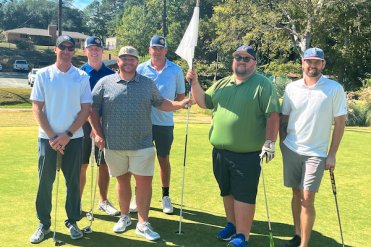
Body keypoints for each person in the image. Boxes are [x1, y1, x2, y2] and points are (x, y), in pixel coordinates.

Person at [90, 46, 191, 241]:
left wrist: (179, 104)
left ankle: (142, 223)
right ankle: (125, 216)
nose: (128, 62)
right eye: (124, 59)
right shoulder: (105, 82)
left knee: (144, 183)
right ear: (118, 61)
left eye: (132, 59)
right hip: (114, 144)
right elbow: (93, 109)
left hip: (143, 143)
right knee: (122, 180)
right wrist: (98, 133)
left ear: (137, 61)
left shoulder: (147, 83)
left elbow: (161, 103)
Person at [186, 45, 281, 247]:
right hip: (220, 152)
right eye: (238, 57)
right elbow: (203, 101)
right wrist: (194, 83)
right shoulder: (223, 83)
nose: (241, 61)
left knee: (244, 194)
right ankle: (231, 224)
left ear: (254, 62)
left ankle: (242, 235)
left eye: (246, 58)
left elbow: (272, 115)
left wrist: (270, 143)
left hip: (247, 154)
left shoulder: (263, 84)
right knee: (226, 190)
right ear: (233, 61)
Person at [279, 47, 347, 247]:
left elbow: (340, 123)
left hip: (316, 153)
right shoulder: (292, 88)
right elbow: (285, 118)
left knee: (307, 198)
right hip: (291, 148)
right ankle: (298, 234)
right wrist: (283, 145)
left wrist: (332, 154)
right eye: (309, 61)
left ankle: (304, 245)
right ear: (302, 63)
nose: (312, 65)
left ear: (323, 64)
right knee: (296, 193)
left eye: (317, 62)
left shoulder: (334, 88)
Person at [29, 35, 92, 243]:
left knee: (73, 182)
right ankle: (44, 224)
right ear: (55, 49)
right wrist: (53, 137)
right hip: (47, 138)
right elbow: (37, 108)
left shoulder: (82, 76)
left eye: (70, 48)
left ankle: (72, 220)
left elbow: (85, 110)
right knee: (45, 182)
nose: (66, 51)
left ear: (74, 51)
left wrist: (67, 135)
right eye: (62, 47)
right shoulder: (43, 74)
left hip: (74, 139)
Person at [130, 36, 185, 214]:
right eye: (155, 48)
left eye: (161, 48)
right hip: (143, 123)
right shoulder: (140, 68)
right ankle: (137, 196)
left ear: (166, 51)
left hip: (165, 124)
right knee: (139, 160)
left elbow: (180, 97)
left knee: (163, 159)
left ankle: (165, 196)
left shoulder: (176, 70)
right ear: (150, 50)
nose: (158, 51)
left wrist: (168, 108)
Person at [79, 36, 119, 216]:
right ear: (85, 51)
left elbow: (115, 102)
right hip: (82, 125)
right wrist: (92, 125)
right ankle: (76, 202)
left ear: (103, 51)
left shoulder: (112, 75)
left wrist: (100, 125)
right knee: (82, 164)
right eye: (91, 48)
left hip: (106, 125)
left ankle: (102, 200)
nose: (94, 52)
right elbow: (77, 102)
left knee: (104, 164)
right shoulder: (78, 73)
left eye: (97, 48)